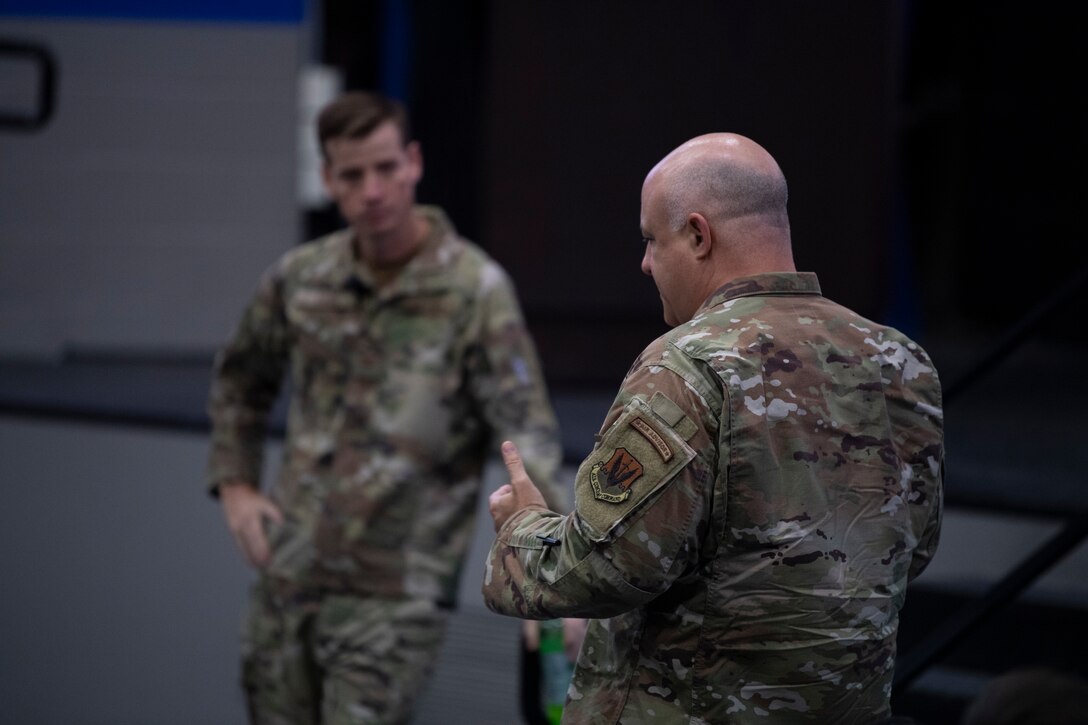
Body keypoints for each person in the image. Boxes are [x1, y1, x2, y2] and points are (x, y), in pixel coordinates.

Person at [483, 133, 945, 724]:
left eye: (653, 239)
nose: (645, 262)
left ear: (699, 235)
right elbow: (913, 549)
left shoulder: (689, 365)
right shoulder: (903, 363)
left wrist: (522, 527)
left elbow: (606, 566)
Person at [205, 90, 569, 724]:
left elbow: (527, 434)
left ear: (414, 163)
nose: (372, 190)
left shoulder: (473, 291)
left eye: (385, 168)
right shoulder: (302, 278)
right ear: (327, 180)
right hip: (290, 577)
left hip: (396, 593)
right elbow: (239, 377)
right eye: (352, 174)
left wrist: (554, 571)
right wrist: (236, 484)